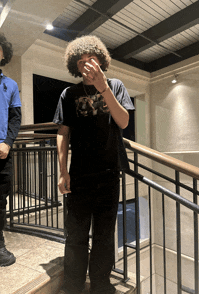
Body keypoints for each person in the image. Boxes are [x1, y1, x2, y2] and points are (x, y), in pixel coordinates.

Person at [53, 35, 135, 294]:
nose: (86, 65)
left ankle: (101, 283)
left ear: (101, 60)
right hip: (79, 175)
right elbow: (63, 133)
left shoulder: (116, 85)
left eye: (91, 59)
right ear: (74, 67)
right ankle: (73, 284)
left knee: (104, 236)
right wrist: (63, 171)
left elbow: (123, 122)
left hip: (109, 174)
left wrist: (104, 88)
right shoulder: (69, 93)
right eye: (80, 62)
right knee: (75, 235)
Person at [0, 33, 22, 267]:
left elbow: (15, 119)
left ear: (3, 54)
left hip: (2, 153)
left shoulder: (11, 85)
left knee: (0, 202)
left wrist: (7, 143)